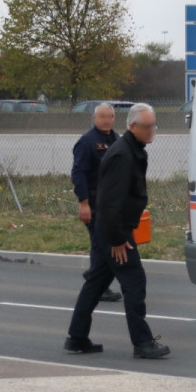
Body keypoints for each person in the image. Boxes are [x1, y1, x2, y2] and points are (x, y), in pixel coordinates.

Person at [65, 103, 169, 359]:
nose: (152, 131)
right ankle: (143, 343)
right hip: (114, 231)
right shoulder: (123, 155)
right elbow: (109, 203)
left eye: (153, 125)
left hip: (111, 229)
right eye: (147, 126)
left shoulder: (129, 149)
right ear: (133, 127)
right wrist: (118, 240)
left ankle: (77, 337)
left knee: (97, 281)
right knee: (134, 281)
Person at [71, 102, 122, 302]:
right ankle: (99, 285)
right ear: (94, 118)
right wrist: (83, 203)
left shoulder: (117, 140)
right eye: (102, 116)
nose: (106, 120)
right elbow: (79, 173)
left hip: (112, 203)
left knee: (109, 243)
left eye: (110, 116)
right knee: (101, 244)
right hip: (93, 201)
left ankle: (94, 276)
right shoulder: (86, 141)